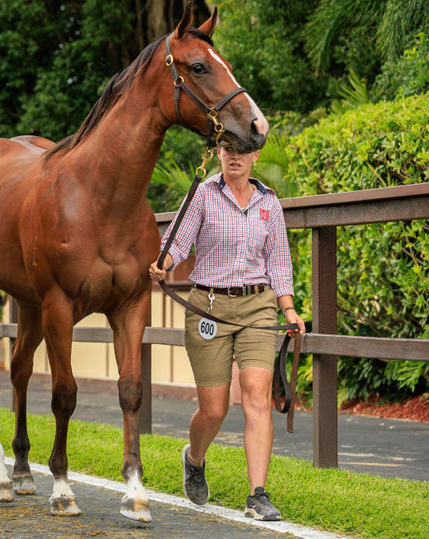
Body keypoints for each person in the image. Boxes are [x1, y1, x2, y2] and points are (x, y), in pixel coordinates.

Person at [149, 143, 306, 521]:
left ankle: (258, 495)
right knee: (214, 408)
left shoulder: (270, 203)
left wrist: (288, 308)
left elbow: (279, 263)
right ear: (218, 153)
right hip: (209, 307)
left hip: (258, 307)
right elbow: (178, 243)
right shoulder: (203, 195)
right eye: (228, 149)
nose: (235, 156)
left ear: (255, 157)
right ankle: (194, 458)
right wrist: (162, 262)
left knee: (256, 395)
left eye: (244, 151)